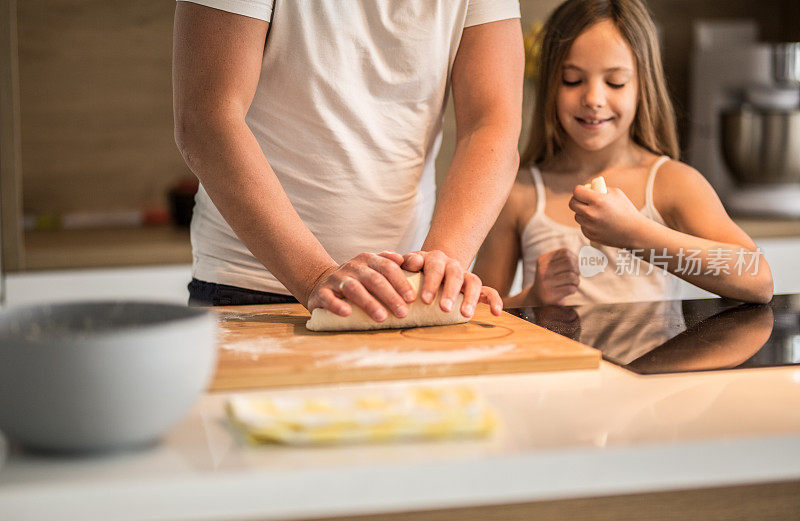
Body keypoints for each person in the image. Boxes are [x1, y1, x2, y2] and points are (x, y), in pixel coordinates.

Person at [172, 1, 524, 320]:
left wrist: (437, 269)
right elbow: (207, 121)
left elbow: (491, 125)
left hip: (403, 295)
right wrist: (314, 276)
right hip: (251, 287)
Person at [474, 0, 773, 307]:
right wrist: (532, 298)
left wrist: (636, 233)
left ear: (643, 87)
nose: (593, 98)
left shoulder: (672, 182)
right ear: (551, 83)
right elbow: (480, 312)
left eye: (615, 81)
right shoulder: (519, 193)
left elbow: (758, 278)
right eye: (572, 80)